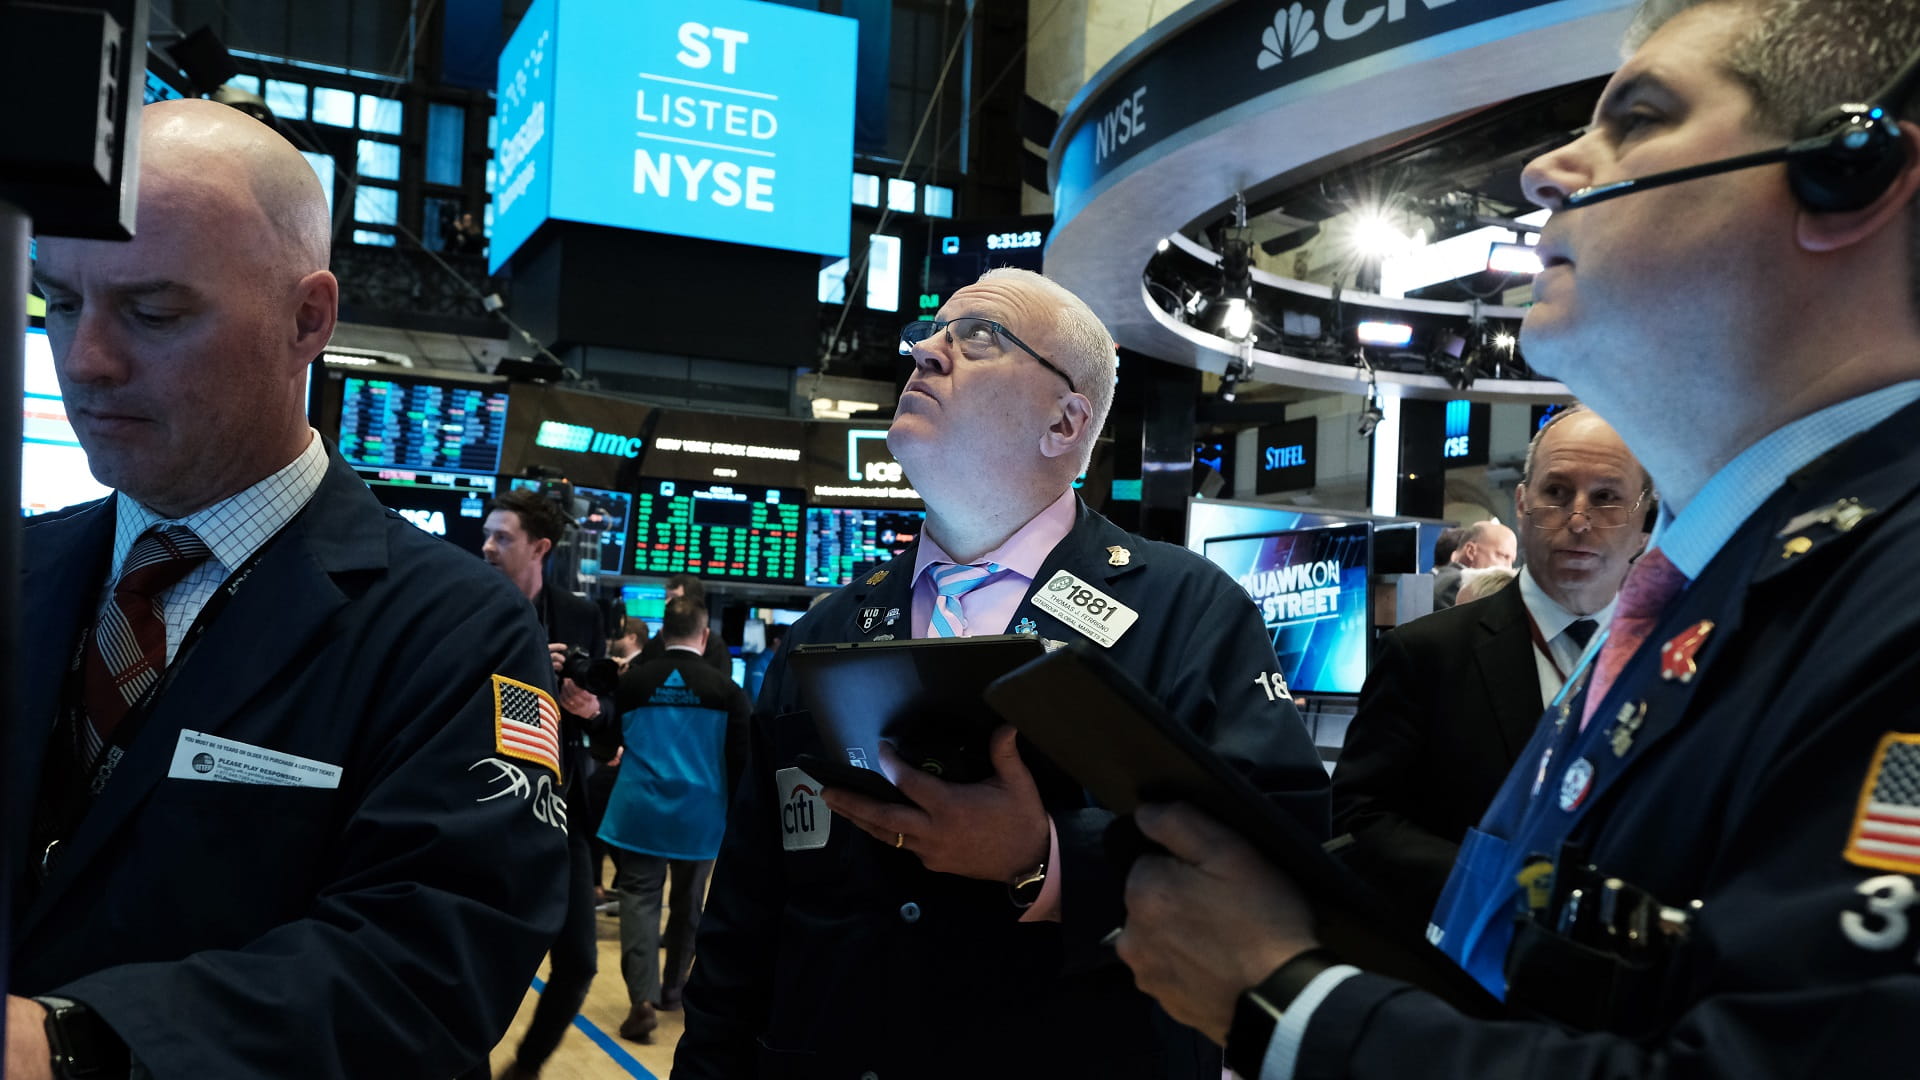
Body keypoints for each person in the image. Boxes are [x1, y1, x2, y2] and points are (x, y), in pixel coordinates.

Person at [1114, 1, 1920, 1075]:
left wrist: (1289, 1006)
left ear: (1851, 172)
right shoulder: (1728, 587)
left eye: (1640, 118)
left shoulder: (1891, 592)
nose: (1545, 171)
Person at [7, 99, 567, 1079]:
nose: (86, 361)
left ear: (308, 319)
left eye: (153, 313)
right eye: (59, 303)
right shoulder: (20, 569)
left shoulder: (452, 631)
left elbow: (429, 965)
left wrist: (77, 1043)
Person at [673, 268, 1330, 1079]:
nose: (925, 353)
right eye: (929, 334)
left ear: (1064, 422)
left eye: (978, 337)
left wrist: (1046, 856)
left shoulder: (1187, 610)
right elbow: (746, 914)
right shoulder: (829, 629)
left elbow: (1280, 856)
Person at [1331, 408, 1647, 929]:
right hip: (1467, 950)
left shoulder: (1678, 661)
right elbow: (1359, 821)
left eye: (1606, 497)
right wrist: (1495, 886)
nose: (1579, 519)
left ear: (1642, 520)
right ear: (1522, 505)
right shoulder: (1427, 654)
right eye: (1557, 492)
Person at [471, 488, 611, 1080]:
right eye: (487, 533)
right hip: (480, 802)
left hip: (558, 809)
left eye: (502, 537)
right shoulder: (466, 601)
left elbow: (606, 720)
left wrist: (588, 708)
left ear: (540, 548)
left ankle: (524, 1070)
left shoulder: (579, 616)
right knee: (477, 957)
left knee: (578, 962)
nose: (487, 546)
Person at [601, 596, 751, 1042]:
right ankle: (672, 990)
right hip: (700, 816)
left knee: (639, 899)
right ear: (704, 636)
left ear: (663, 634)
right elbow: (741, 762)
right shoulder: (727, 691)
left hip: (640, 811)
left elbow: (605, 746)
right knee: (689, 903)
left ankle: (640, 1001)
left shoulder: (632, 683)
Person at [637, 573, 732, 674]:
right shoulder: (655, 643)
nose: (666, 603)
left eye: (674, 597)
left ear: (693, 601)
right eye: (666, 597)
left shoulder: (715, 647)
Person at [1431, 519, 1516, 609]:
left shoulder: (1437, 577)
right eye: (1503, 556)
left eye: (1512, 561)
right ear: (1471, 551)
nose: (1508, 567)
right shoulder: (1461, 584)